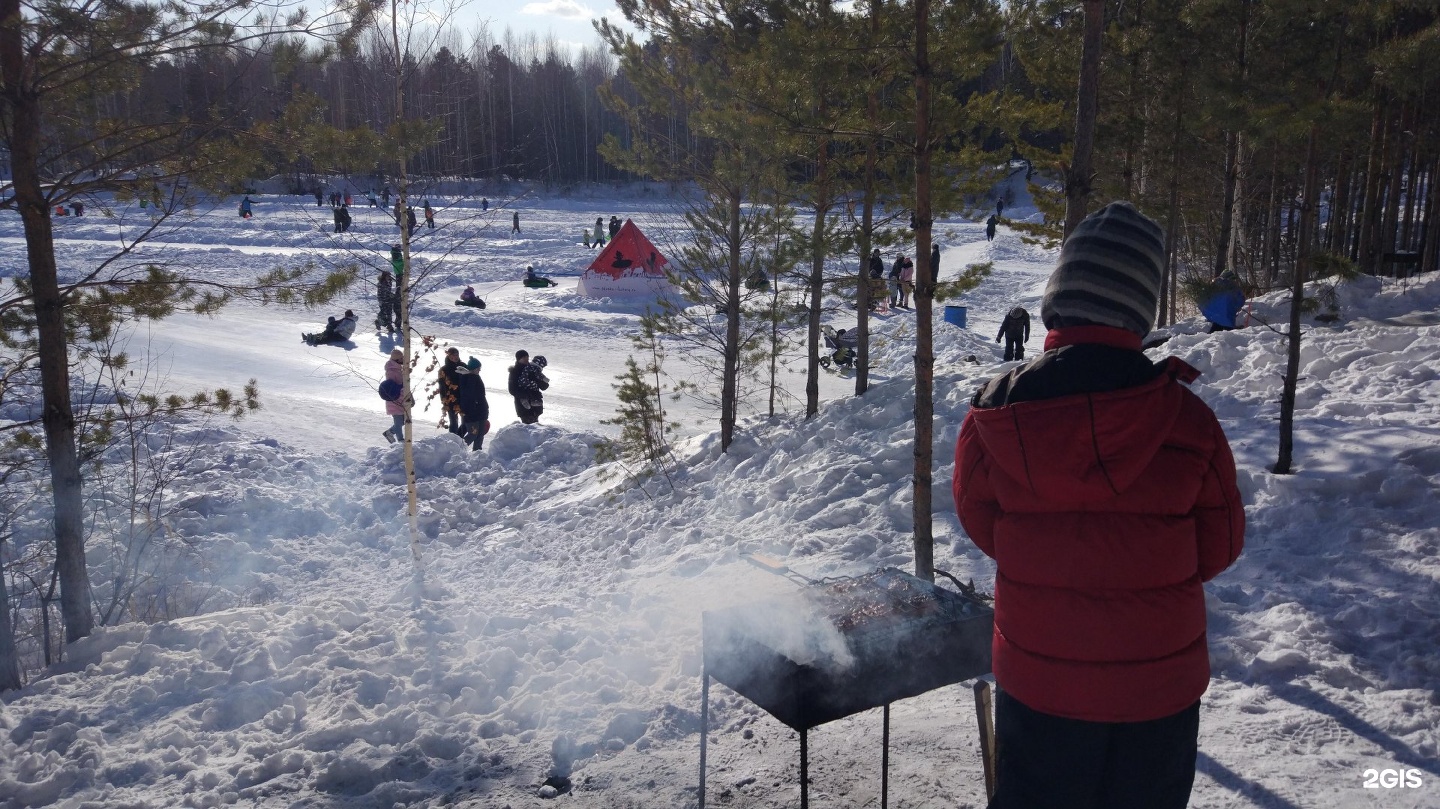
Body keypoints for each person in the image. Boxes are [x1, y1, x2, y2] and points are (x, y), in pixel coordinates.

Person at [952, 201, 1244, 809]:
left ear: (1058, 297)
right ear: (1138, 310)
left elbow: (981, 521)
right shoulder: (1189, 420)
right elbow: (1219, 547)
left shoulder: (996, 412)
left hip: (1039, 681)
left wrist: (1046, 559)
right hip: (1159, 690)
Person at [456, 357, 490, 451]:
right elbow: (468, 396)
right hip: (472, 413)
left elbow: (480, 396)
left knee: (480, 435)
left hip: (481, 411)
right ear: (474, 368)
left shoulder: (475, 377)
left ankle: (477, 455)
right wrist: (471, 410)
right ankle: (458, 450)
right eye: (478, 368)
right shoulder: (468, 379)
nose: (480, 370)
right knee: (473, 434)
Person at [508, 350, 549, 424]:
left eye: (527, 357)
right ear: (519, 359)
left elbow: (544, 386)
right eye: (524, 357)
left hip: (536, 405)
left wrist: (536, 379)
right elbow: (512, 389)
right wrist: (527, 395)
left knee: (535, 426)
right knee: (528, 427)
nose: (526, 359)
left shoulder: (533, 369)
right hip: (524, 406)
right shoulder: (515, 371)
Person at [381, 349, 408, 444]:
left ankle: (391, 434)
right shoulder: (391, 371)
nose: (403, 360)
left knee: (401, 421)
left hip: (400, 399)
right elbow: (393, 386)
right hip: (394, 400)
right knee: (399, 422)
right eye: (401, 358)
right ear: (396, 360)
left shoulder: (397, 369)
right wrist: (402, 386)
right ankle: (399, 439)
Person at [438, 347, 465, 435]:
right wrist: (443, 400)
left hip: (463, 397)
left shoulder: (463, 366)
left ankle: (459, 438)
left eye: (457, 355)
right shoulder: (444, 370)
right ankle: (453, 441)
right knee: (454, 422)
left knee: (466, 422)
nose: (455, 357)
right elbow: (442, 386)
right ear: (449, 356)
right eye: (453, 355)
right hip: (450, 398)